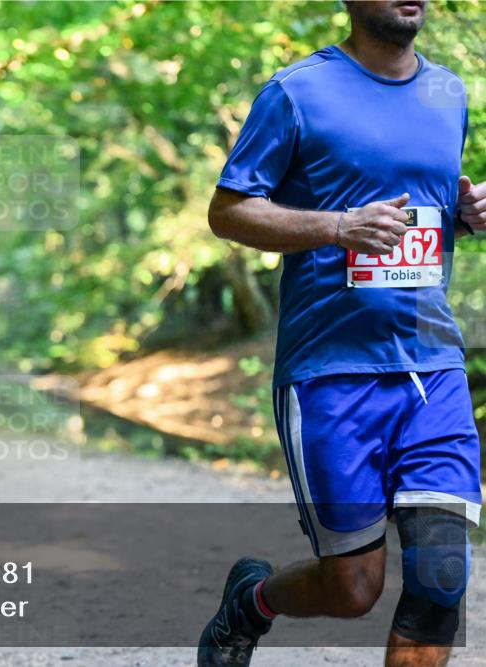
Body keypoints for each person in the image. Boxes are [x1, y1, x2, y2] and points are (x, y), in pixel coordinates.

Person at [198, 2, 484, 666]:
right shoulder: (297, 92)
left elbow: (421, 218)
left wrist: (463, 217)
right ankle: (251, 603)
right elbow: (228, 211)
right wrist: (334, 226)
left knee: (441, 577)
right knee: (352, 587)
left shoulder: (449, 91)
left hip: (430, 366)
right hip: (329, 371)